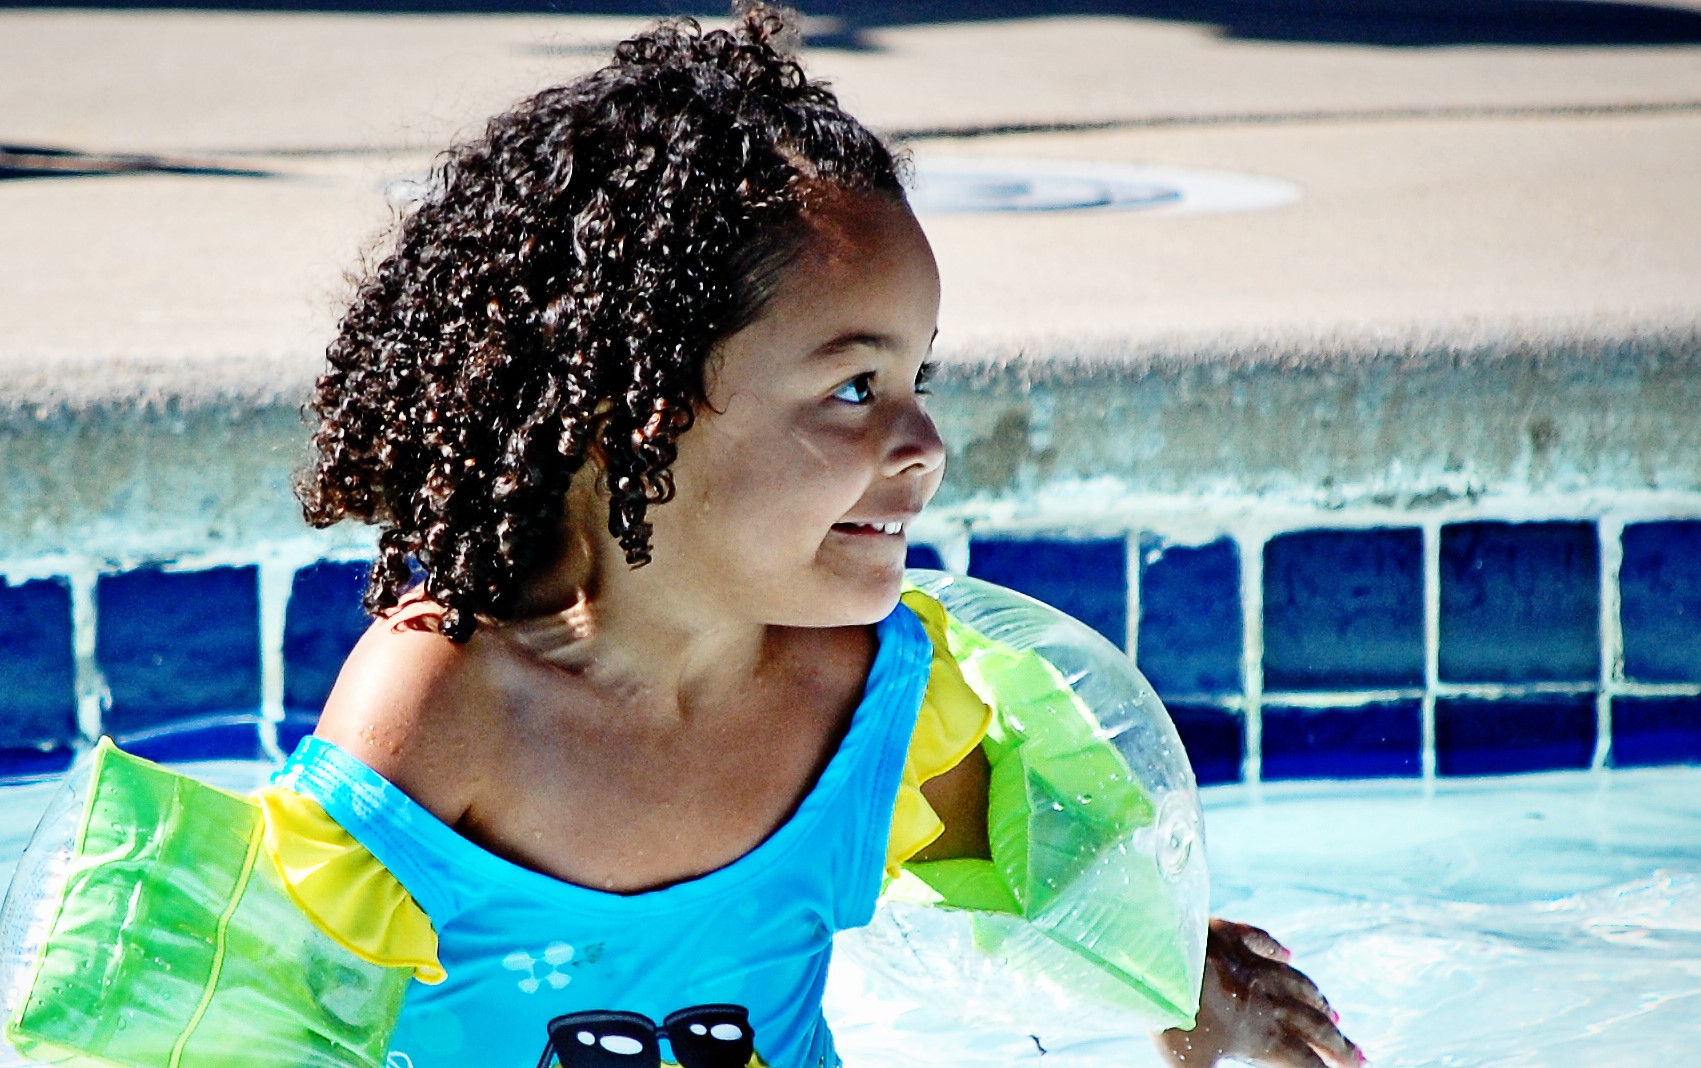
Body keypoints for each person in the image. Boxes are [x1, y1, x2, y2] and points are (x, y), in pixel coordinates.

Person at [291, 6, 1362, 1066]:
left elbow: (1059, 893)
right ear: (631, 417)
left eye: (916, 378)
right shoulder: (448, 707)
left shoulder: (869, 700)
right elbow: (268, 1016)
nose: (925, 445)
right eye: (854, 388)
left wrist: (1183, 975)